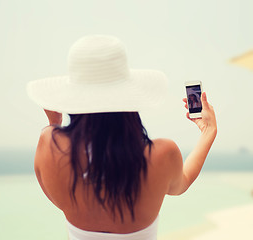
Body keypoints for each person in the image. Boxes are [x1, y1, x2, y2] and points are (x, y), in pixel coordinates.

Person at [27, 35, 217, 240]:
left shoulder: (49, 145)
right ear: (129, 97)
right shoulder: (162, 154)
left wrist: (54, 124)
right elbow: (183, 182)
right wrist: (208, 131)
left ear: (74, 100)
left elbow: (57, 194)